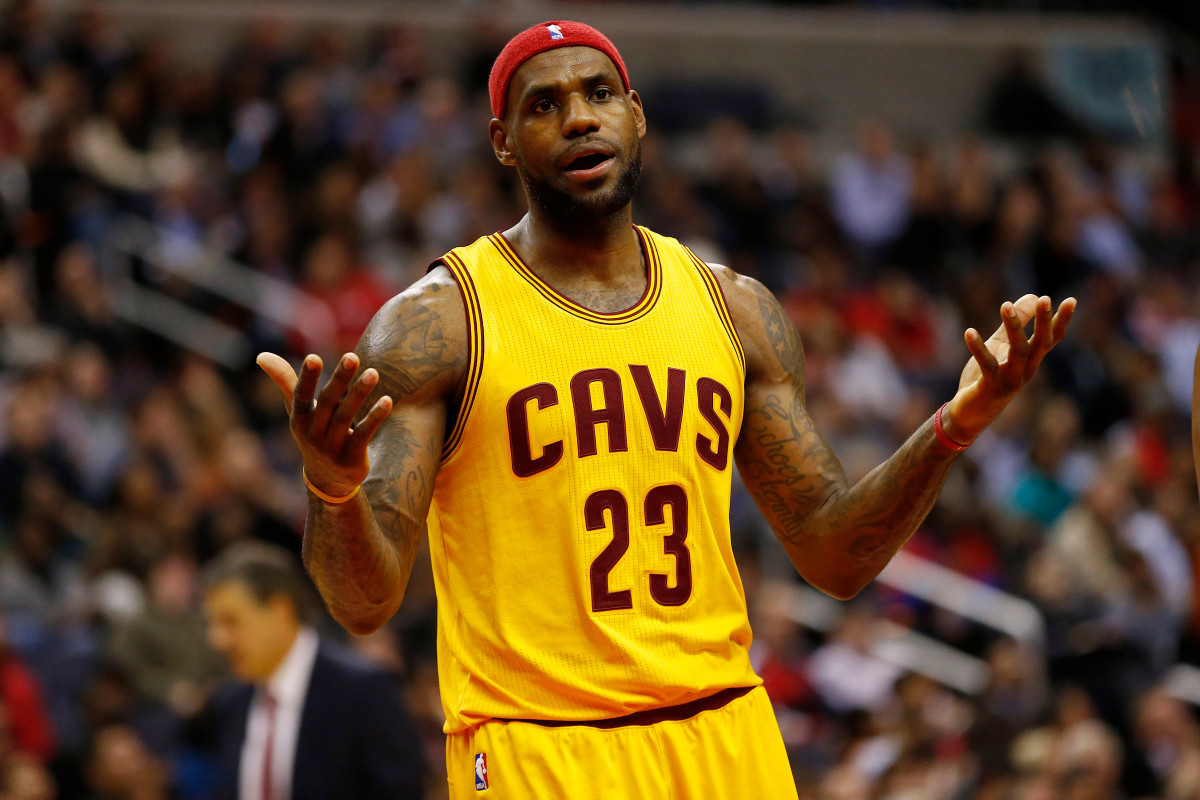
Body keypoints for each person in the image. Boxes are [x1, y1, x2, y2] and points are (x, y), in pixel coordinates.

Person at [256, 20, 1075, 799]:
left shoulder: (735, 308)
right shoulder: (438, 324)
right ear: (504, 141)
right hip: (544, 743)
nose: (579, 118)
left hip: (726, 733)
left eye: (599, 93)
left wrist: (953, 427)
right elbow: (363, 605)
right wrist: (331, 488)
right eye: (544, 104)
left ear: (636, 115)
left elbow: (834, 555)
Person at [201, 543, 423, 800]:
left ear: (280, 610)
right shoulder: (229, 703)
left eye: (231, 621)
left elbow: (401, 791)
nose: (216, 639)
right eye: (213, 623)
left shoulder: (363, 690)